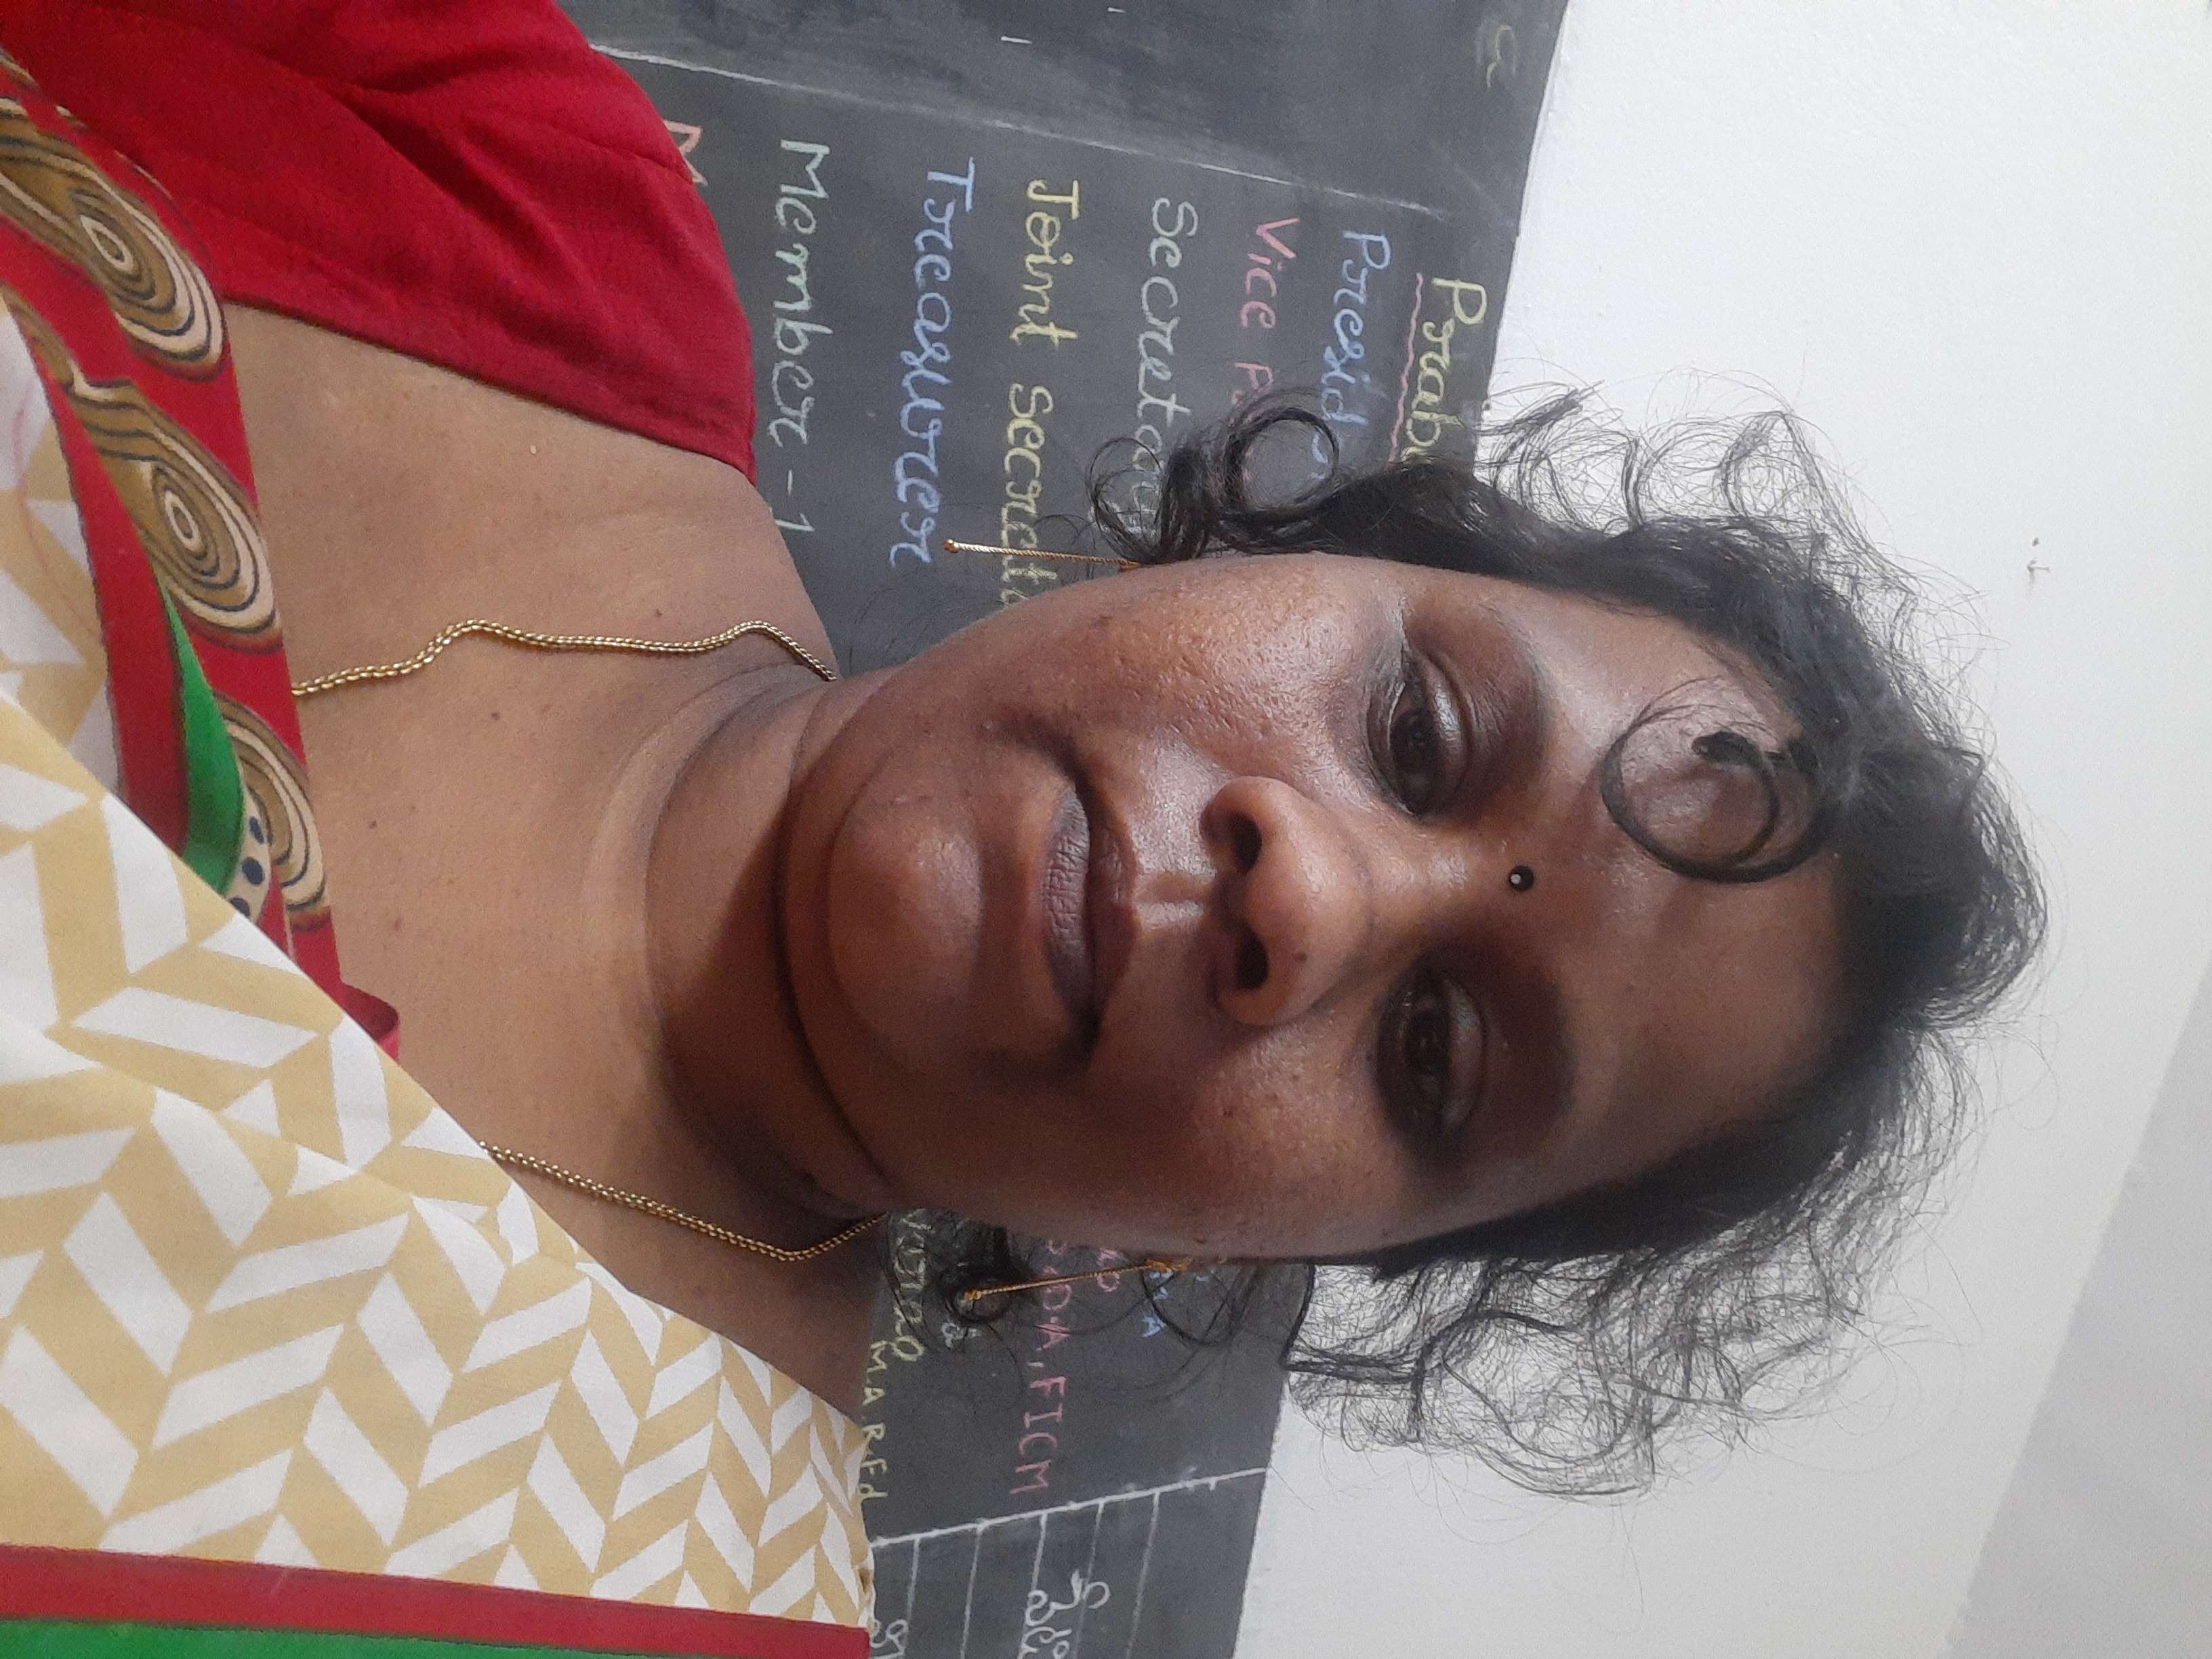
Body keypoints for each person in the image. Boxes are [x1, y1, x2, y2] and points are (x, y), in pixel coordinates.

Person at [0, 0, 2041, 1650]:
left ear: (1309, 1250)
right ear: (1280, 551)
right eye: (1417, 730)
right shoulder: (533, 203)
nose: (1317, 894)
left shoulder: (617, 1587)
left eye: (1437, 1054)